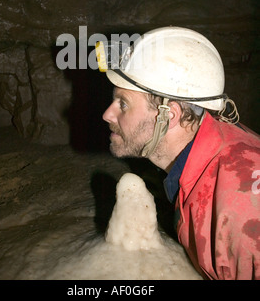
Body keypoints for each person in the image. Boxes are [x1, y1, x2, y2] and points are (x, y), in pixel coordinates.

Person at [95, 26, 260, 280]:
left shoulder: (240, 207)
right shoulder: (204, 166)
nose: (108, 114)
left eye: (123, 103)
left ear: (168, 116)